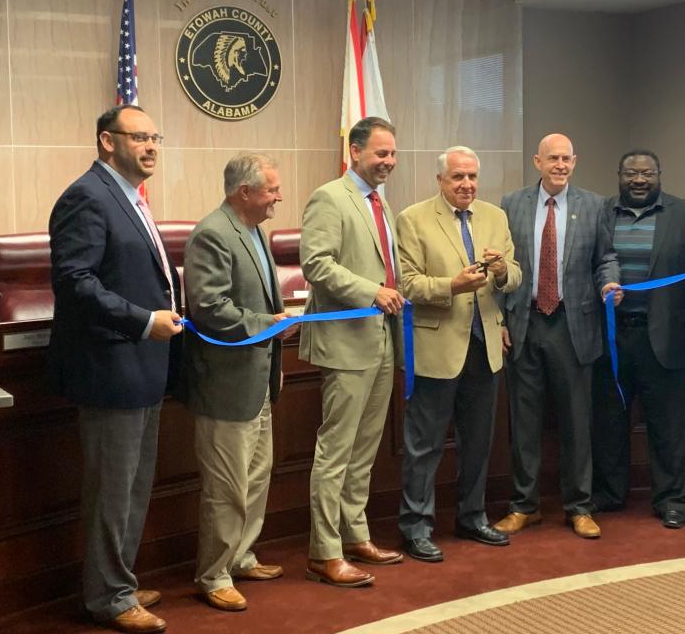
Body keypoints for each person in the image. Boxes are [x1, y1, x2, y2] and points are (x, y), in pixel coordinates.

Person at [48, 104, 182, 634]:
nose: (151, 147)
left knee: (134, 485)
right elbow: (76, 282)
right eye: (139, 137)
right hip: (110, 364)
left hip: (144, 364)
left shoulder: (130, 198)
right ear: (108, 141)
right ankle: (107, 595)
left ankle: (117, 581)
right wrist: (142, 320)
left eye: (155, 137)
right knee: (112, 487)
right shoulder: (87, 196)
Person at [395, 147, 522, 562]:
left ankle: (472, 516)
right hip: (436, 347)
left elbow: (515, 275)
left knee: (479, 442)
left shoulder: (494, 217)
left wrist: (503, 272)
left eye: (472, 177)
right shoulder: (413, 219)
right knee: (424, 444)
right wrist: (451, 285)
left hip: (484, 347)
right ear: (440, 181)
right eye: (458, 178)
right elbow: (408, 284)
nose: (467, 185)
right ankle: (416, 526)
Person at [494, 133, 621, 540]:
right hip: (524, 323)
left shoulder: (594, 204)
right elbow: (500, 265)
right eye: (553, 158)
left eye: (567, 158)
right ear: (537, 161)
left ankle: (579, 506)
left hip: (574, 324)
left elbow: (606, 258)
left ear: (575, 161)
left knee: (576, 421)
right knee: (524, 420)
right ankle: (524, 506)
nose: (561, 165)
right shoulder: (511, 204)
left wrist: (609, 285)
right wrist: (498, 319)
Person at [183, 153, 295, 612]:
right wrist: (267, 324)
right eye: (271, 190)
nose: (279, 197)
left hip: (259, 382)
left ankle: (242, 555)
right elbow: (208, 307)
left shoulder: (254, 230)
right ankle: (213, 574)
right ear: (244, 192)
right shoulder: (212, 233)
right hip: (226, 387)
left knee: (255, 477)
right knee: (226, 487)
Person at [591, 150, 685, 529]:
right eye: (631, 173)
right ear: (619, 175)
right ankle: (609, 493)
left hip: (668, 336)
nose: (639, 180)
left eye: (647, 173)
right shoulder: (599, 213)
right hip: (610, 337)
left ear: (659, 175)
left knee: (671, 424)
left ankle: (673, 499)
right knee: (608, 422)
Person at [300, 116, 406, 587]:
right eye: (380, 153)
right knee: (336, 451)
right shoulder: (330, 197)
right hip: (345, 344)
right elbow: (316, 264)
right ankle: (324, 552)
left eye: (392, 154)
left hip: (382, 341)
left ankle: (355, 534)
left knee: (364, 451)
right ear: (355, 152)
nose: (389, 162)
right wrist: (371, 291)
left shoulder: (380, 201)